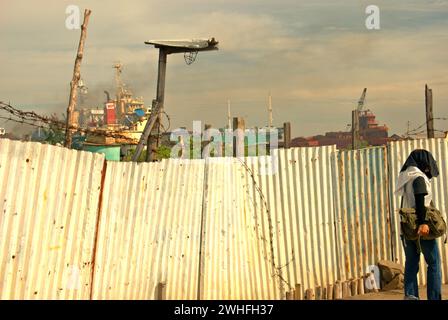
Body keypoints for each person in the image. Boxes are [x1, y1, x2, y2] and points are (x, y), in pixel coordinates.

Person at [395, 149, 441, 300]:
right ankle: (434, 297)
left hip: (407, 230)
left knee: (411, 264)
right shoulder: (419, 178)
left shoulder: (408, 177)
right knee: (434, 263)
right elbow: (420, 199)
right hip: (421, 228)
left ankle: (411, 296)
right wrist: (422, 223)